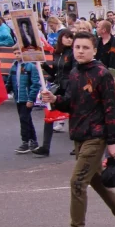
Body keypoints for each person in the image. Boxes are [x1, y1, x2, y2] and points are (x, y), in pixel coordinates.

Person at [39, 32, 115, 227]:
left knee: (77, 182)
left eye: (85, 47)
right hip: (79, 134)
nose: (80, 51)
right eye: (77, 47)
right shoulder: (75, 72)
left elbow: (111, 108)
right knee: (95, 180)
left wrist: (112, 141)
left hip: (97, 135)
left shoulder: (102, 74)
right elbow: (72, 104)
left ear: (94, 50)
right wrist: (55, 100)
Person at [33, 29, 75, 157]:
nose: (69, 39)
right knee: (49, 115)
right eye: (67, 37)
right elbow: (55, 73)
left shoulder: (73, 53)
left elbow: (74, 72)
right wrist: (44, 66)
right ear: (61, 38)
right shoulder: (57, 53)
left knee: (74, 117)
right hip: (57, 87)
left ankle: (78, 145)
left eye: (71, 37)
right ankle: (45, 147)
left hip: (69, 88)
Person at [5, 51, 41, 154]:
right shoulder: (14, 66)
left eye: (19, 53)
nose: (17, 55)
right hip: (18, 98)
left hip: (26, 98)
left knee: (24, 119)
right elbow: (9, 82)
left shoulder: (30, 67)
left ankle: (25, 142)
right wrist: (4, 93)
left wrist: (31, 99)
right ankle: (33, 141)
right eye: (15, 53)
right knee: (27, 119)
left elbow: (35, 84)